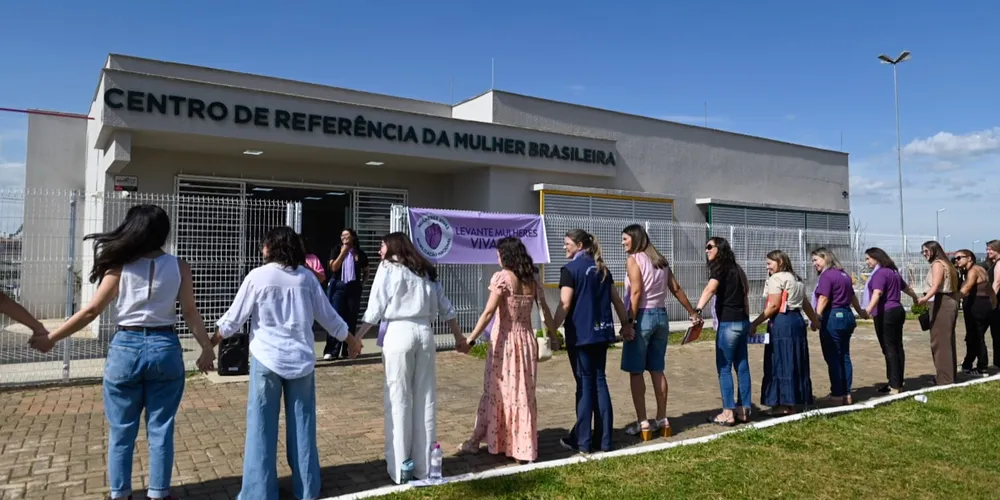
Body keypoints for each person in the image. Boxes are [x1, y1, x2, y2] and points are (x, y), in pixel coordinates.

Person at [29, 204, 215, 500]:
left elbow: (91, 311)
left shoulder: (120, 266)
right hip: (165, 347)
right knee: (161, 428)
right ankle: (158, 493)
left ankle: (120, 494)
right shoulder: (179, 267)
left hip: (126, 348)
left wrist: (52, 337)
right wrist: (206, 348)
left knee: (121, 431)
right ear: (163, 233)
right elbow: (190, 312)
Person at [211, 226, 361, 500]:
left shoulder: (258, 276)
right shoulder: (306, 278)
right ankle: (307, 488)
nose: (262, 248)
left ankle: (259, 492)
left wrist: (208, 345)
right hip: (301, 362)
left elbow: (233, 319)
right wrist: (351, 339)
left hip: (266, 360)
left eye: (265, 244)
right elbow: (328, 316)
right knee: (303, 426)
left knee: (261, 427)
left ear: (274, 247)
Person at [352, 232, 469, 484]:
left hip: (398, 333)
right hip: (424, 334)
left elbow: (376, 306)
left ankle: (399, 468)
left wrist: (357, 338)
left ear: (393, 246)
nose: (379, 251)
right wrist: (459, 338)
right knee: (425, 399)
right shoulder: (425, 270)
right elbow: (445, 306)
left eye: (381, 245)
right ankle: (425, 468)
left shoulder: (389, 268)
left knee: (397, 398)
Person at [458, 236, 557, 463]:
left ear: (506, 255)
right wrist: (553, 334)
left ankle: (490, 440)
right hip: (526, 341)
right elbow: (545, 311)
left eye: (499, 253)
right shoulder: (531, 278)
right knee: (523, 393)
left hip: (505, 343)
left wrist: (470, 340)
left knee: (497, 392)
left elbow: (489, 312)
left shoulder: (503, 278)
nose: (497, 257)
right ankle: (522, 446)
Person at [549, 229, 632, 453]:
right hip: (601, 333)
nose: (564, 247)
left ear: (579, 245)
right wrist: (626, 324)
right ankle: (605, 441)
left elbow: (565, 304)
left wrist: (551, 329)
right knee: (600, 382)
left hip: (581, 336)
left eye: (567, 243)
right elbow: (616, 300)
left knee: (584, 386)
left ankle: (583, 441)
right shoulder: (601, 268)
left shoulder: (570, 270)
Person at [619, 224, 700, 440]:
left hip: (642, 317)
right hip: (661, 317)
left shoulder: (634, 260)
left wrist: (629, 321)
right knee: (657, 369)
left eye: (625, 238)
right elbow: (676, 288)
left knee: (636, 371)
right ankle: (663, 419)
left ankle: (643, 422)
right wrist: (692, 312)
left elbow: (636, 292)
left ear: (635, 239)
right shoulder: (660, 261)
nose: (622, 242)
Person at [750, 250, 820, 415]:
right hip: (796, 321)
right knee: (796, 358)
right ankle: (796, 399)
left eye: (769, 263)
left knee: (780, 360)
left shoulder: (776, 279)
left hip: (782, 322)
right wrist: (815, 321)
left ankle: (783, 403)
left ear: (780, 261)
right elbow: (805, 304)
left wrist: (755, 323)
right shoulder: (796, 278)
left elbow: (773, 305)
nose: (768, 268)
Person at [695, 237, 752, 426]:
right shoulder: (738, 269)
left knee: (724, 368)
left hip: (728, 324)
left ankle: (728, 412)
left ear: (720, 248)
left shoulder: (720, 268)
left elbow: (709, 289)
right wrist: (748, 321)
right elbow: (745, 296)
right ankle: (744, 410)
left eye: (710, 247)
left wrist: (697, 310)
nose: (707, 250)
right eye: (706, 247)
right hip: (742, 322)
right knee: (742, 366)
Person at [811, 247, 868, 405]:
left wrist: (816, 318)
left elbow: (823, 298)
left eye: (816, 260)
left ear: (825, 258)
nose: (814, 263)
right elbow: (852, 296)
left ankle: (837, 394)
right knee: (844, 356)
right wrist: (860, 312)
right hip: (847, 316)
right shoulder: (844, 275)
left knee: (833, 357)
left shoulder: (827, 276)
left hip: (833, 317)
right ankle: (847, 393)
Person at [863, 247, 919, 394]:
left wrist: (868, 310)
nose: (867, 261)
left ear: (877, 258)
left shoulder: (880, 273)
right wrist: (915, 298)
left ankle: (895, 385)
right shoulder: (893, 272)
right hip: (897, 311)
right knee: (897, 346)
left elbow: (877, 293)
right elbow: (906, 288)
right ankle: (897, 381)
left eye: (868, 258)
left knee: (889, 348)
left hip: (886, 313)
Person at [915, 241, 961, 385]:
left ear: (934, 250)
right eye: (923, 251)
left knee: (940, 342)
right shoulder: (947, 264)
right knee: (946, 341)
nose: (924, 254)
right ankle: (948, 376)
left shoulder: (938, 264)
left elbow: (935, 285)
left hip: (942, 302)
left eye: (926, 251)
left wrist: (924, 299)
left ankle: (944, 379)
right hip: (948, 301)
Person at [324, 228, 370, 360]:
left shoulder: (359, 253)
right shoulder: (336, 250)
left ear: (353, 237)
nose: (344, 237)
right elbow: (333, 267)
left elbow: (366, 270)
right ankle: (332, 350)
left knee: (351, 318)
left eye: (347, 235)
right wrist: (343, 252)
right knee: (336, 317)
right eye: (342, 235)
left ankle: (347, 349)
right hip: (338, 286)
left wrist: (362, 283)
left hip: (354, 288)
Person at [955, 249, 994, 376]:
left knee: (977, 337)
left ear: (970, 258)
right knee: (972, 337)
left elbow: (965, 290)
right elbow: (990, 290)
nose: (957, 260)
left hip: (976, 307)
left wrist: (948, 300)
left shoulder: (973, 272)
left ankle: (982, 368)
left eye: (959, 258)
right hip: (984, 305)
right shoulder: (981, 269)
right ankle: (967, 364)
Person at [986, 240, 1000, 369]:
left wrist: (991, 299)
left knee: (997, 332)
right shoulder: (995, 263)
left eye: (991, 249)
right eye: (987, 249)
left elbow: (997, 282)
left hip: (998, 302)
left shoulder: (999, 263)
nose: (988, 251)